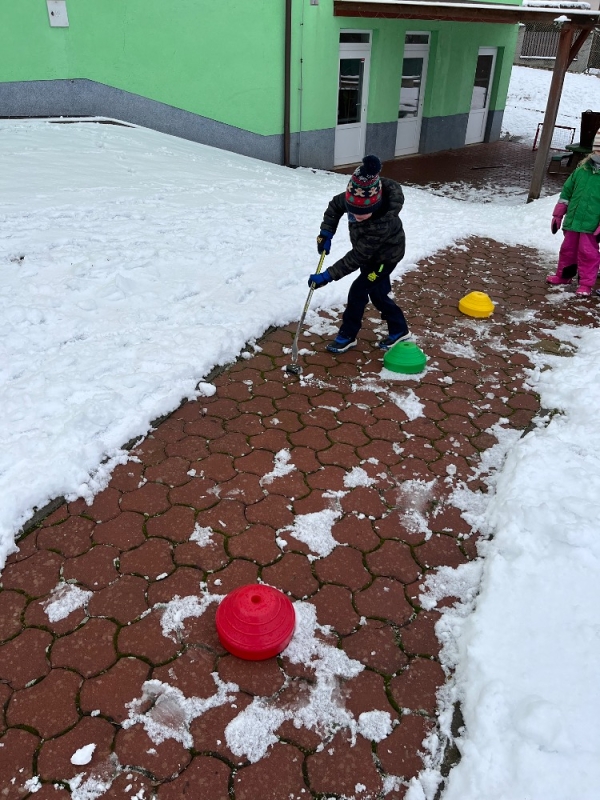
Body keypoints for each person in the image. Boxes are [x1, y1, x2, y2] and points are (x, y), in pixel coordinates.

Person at [309, 154, 411, 353]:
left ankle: (348, 335)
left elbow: (358, 257)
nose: (356, 217)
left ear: (375, 204)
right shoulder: (354, 199)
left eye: (362, 213)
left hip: (383, 258)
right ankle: (399, 328)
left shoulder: (381, 224)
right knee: (378, 293)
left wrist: (328, 276)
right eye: (352, 211)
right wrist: (326, 232)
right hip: (369, 254)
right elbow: (335, 206)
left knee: (359, 290)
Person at [547, 130, 600, 297]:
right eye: (597, 150)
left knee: (588, 254)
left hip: (592, 225)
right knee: (568, 249)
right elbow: (566, 192)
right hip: (574, 221)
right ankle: (564, 276)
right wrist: (558, 214)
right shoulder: (582, 170)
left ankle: (585, 283)